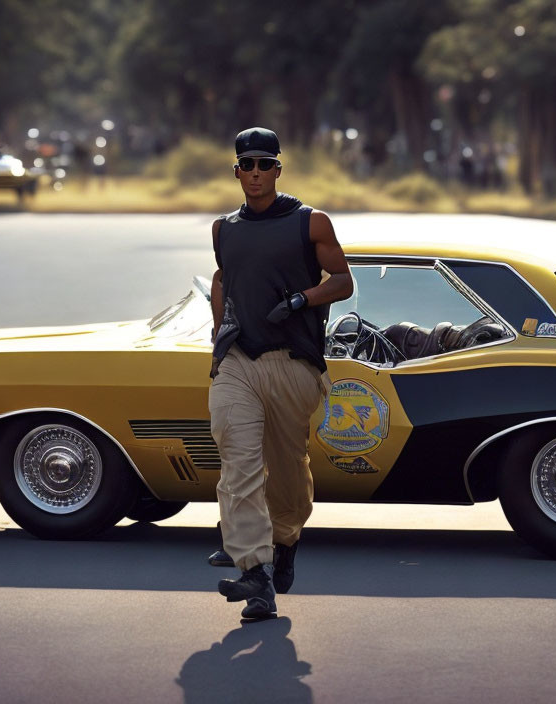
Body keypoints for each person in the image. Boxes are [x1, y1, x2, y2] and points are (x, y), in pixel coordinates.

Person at [207, 127, 353, 620]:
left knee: (288, 472)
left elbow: (343, 281)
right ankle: (255, 574)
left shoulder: (310, 222)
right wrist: (218, 340)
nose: (254, 173)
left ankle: (286, 538)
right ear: (235, 171)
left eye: (263, 164)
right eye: (245, 164)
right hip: (238, 363)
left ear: (278, 169)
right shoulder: (223, 228)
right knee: (238, 462)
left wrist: (301, 300)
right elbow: (222, 279)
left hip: (293, 362)